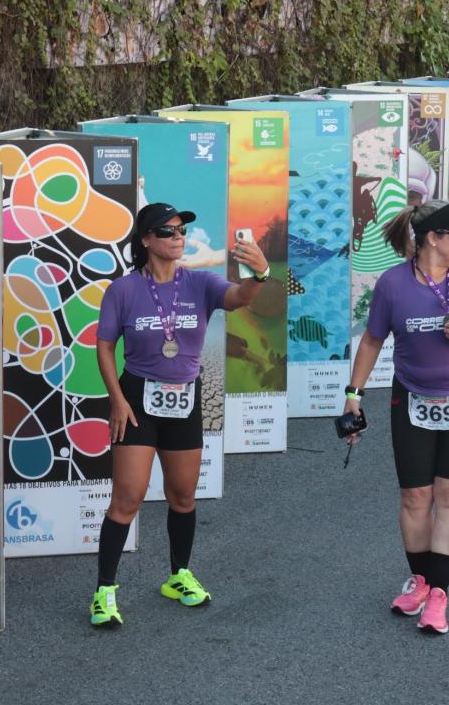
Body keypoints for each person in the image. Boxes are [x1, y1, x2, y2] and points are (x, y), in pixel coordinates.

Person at [90, 202, 270, 628]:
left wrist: (258, 274)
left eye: (181, 230)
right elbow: (104, 346)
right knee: (127, 498)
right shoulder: (123, 290)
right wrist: (116, 399)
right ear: (146, 240)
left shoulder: (201, 283)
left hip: (185, 395)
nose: (177, 237)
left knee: (184, 496)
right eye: (167, 231)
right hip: (137, 397)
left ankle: (179, 576)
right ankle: (104, 591)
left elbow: (241, 298)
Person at [342, 200, 449, 635]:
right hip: (410, 398)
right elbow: (373, 341)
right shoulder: (393, 285)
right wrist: (353, 395)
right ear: (433, 238)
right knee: (415, 498)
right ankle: (422, 580)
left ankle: (438, 596)